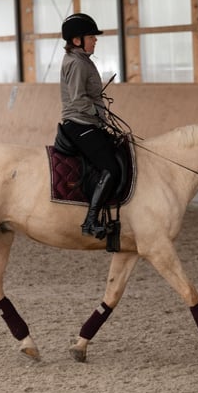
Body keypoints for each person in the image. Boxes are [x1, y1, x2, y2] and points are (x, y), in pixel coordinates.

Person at [58, 12, 121, 240]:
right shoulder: (76, 64)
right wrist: (99, 113)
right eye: (91, 37)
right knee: (111, 168)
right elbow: (77, 99)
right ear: (77, 40)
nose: (95, 40)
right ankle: (91, 219)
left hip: (88, 122)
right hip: (79, 123)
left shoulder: (83, 61)